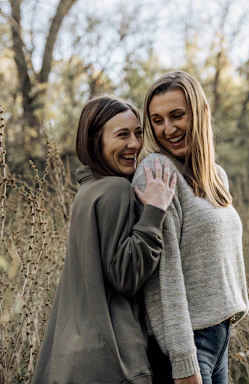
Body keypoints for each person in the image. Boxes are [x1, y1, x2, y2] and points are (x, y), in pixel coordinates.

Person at [32, 95, 177, 384]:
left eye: (138, 133)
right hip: (109, 362)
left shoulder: (87, 192)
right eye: (122, 135)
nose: (134, 144)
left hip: (71, 358)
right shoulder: (115, 189)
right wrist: (155, 211)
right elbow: (124, 276)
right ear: (94, 141)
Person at [132, 71, 249, 384]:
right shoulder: (157, 171)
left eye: (177, 116)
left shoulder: (216, 176)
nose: (167, 129)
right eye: (157, 120)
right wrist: (184, 362)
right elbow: (161, 278)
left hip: (218, 336)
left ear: (199, 114)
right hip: (185, 346)